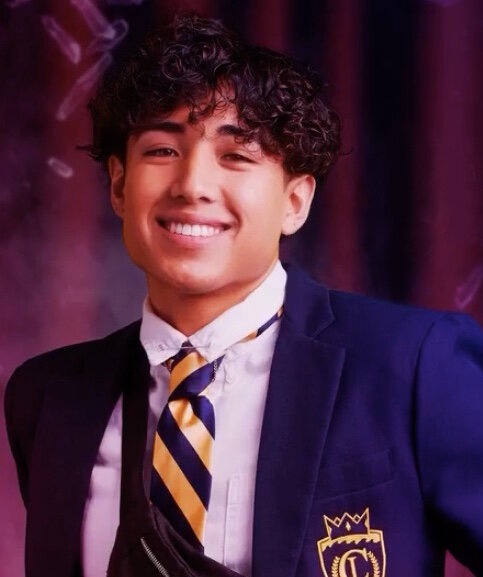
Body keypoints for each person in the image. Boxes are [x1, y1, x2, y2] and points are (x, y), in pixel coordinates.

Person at [5, 14, 483, 577]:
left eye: (236, 156)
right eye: (162, 150)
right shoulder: (49, 398)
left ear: (295, 202)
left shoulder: (412, 365)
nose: (192, 185)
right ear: (119, 184)